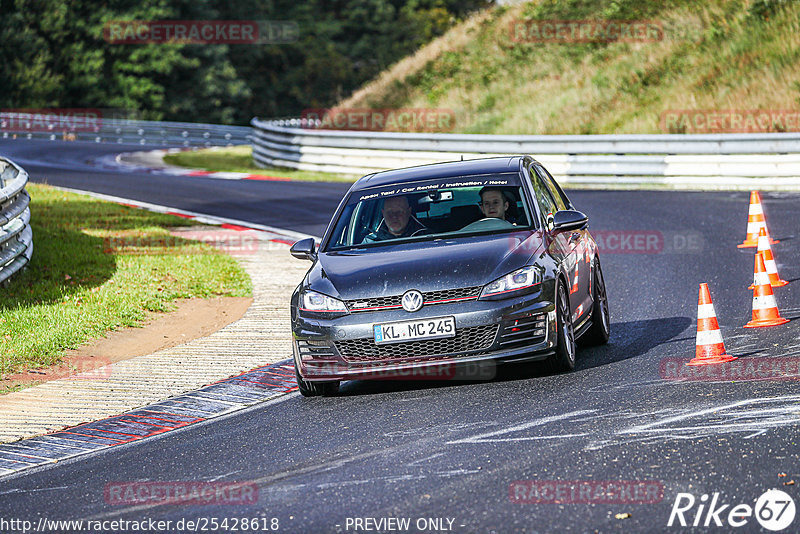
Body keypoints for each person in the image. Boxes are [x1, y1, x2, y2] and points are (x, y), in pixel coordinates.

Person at [362, 195, 426, 243]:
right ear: (383, 213)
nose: (394, 216)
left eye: (399, 212)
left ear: (409, 212)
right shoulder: (370, 241)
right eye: (389, 212)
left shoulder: (426, 237)